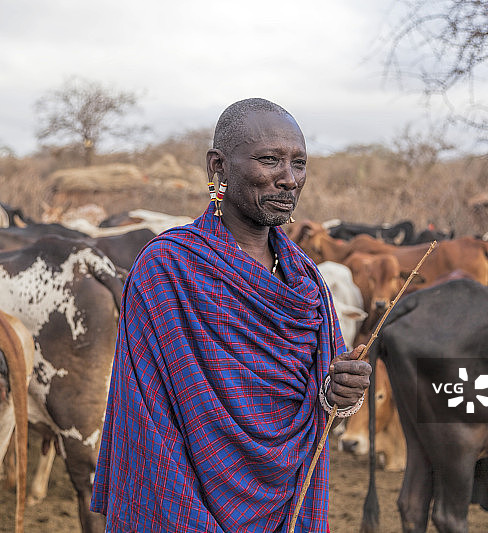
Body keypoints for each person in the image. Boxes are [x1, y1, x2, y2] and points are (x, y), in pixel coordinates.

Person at [91, 98, 372, 532]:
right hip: (183, 502)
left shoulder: (307, 282)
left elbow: (326, 397)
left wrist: (345, 392)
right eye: (269, 160)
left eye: (299, 163)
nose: (289, 178)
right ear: (218, 166)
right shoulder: (166, 268)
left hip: (287, 507)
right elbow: (147, 418)